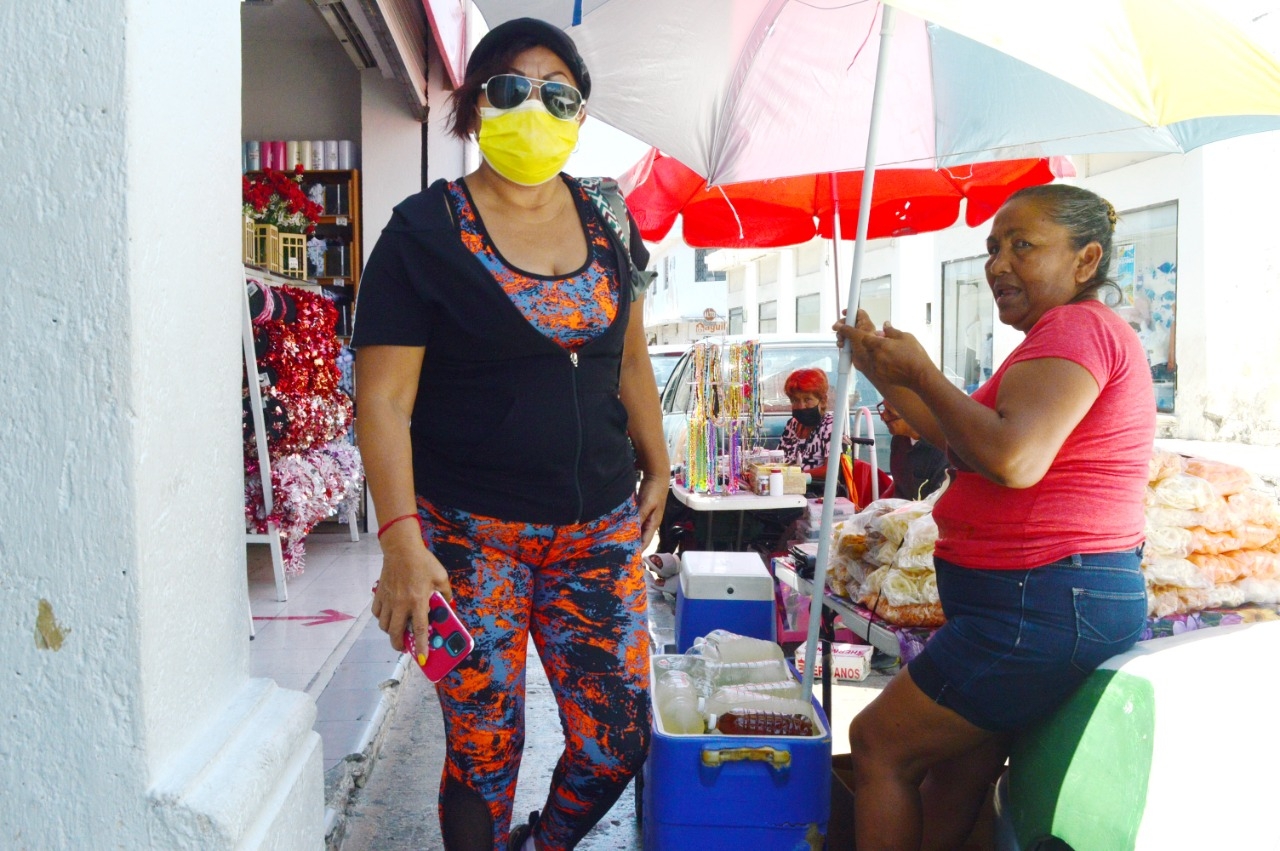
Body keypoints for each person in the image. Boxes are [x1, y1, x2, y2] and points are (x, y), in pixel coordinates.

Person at [351, 18, 668, 851]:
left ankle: (546, 842)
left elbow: (628, 357)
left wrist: (660, 466)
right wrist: (400, 542)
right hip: (466, 538)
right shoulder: (422, 232)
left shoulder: (608, 219)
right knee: (484, 749)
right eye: (512, 88)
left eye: (558, 94)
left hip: (597, 531)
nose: (536, 107)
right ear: (474, 103)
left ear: (579, 115)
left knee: (618, 738)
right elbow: (381, 401)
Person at [833, 184, 1155, 851]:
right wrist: (883, 369)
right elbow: (962, 437)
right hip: (1043, 604)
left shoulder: (1077, 327)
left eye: (1022, 245)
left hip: (1038, 606)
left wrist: (924, 371)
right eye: (992, 247)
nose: (997, 263)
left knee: (877, 745)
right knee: (960, 769)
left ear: (1086, 259)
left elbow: (1013, 457)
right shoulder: (1055, 338)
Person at [777, 367, 850, 497]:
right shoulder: (792, 425)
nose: (801, 406)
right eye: (795, 400)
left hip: (815, 494)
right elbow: (778, 459)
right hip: (787, 491)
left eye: (807, 400)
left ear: (822, 401)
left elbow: (831, 470)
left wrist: (797, 475)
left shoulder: (830, 425)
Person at [876, 399, 950, 501]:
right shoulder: (899, 440)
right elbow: (899, 484)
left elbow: (935, 503)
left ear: (913, 417)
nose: (883, 417)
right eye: (883, 409)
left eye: (890, 413)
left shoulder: (942, 452)